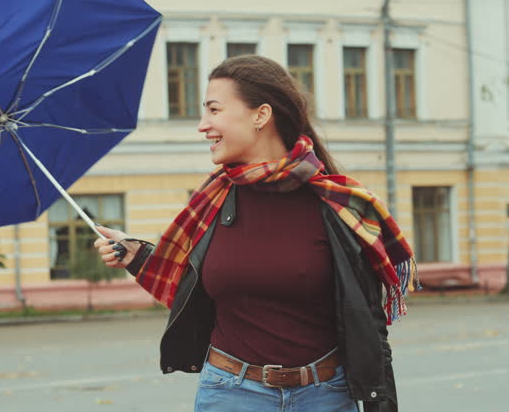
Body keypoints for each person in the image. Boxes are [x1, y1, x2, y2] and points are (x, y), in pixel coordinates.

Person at [93, 55, 414, 412]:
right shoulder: (211, 201)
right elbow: (189, 281)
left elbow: (367, 317)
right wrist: (135, 252)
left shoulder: (338, 205)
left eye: (214, 110)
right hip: (231, 394)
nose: (203, 125)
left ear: (260, 115)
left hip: (326, 396)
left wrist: (379, 401)